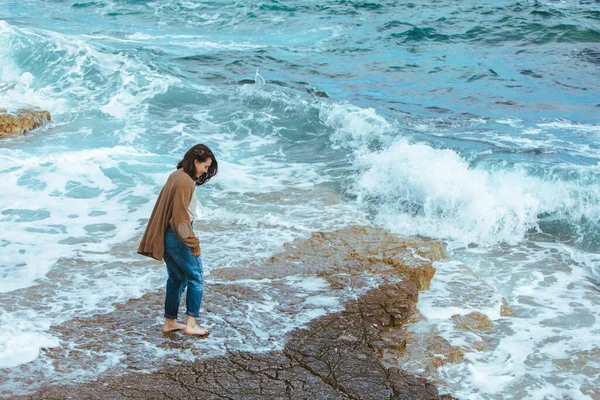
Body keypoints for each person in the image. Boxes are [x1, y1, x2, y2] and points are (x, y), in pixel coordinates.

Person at [138, 144, 218, 336]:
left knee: (176, 278)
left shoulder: (176, 175)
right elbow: (180, 219)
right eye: (205, 166)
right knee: (196, 278)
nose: (205, 171)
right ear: (196, 161)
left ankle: (170, 322)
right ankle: (191, 324)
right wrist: (193, 242)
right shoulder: (185, 182)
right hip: (178, 237)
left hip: (167, 236)